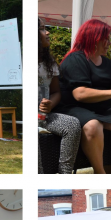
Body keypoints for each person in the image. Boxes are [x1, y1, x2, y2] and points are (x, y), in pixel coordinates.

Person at [57, 19, 111, 174]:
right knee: (93, 125)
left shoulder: (107, 63)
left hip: (101, 108)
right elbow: (79, 93)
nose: (109, 43)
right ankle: (100, 172)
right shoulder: (75, 59)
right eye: (105, 39)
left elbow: (110, 87)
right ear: (93, 39)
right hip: (74, 108)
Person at [38, 20, 82, 173]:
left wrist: (50, 104)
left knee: (73, 124)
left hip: (45, 117)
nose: (47, 32)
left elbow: (56, 92)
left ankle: (65, 173)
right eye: (42, 29)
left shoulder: (50, 63)